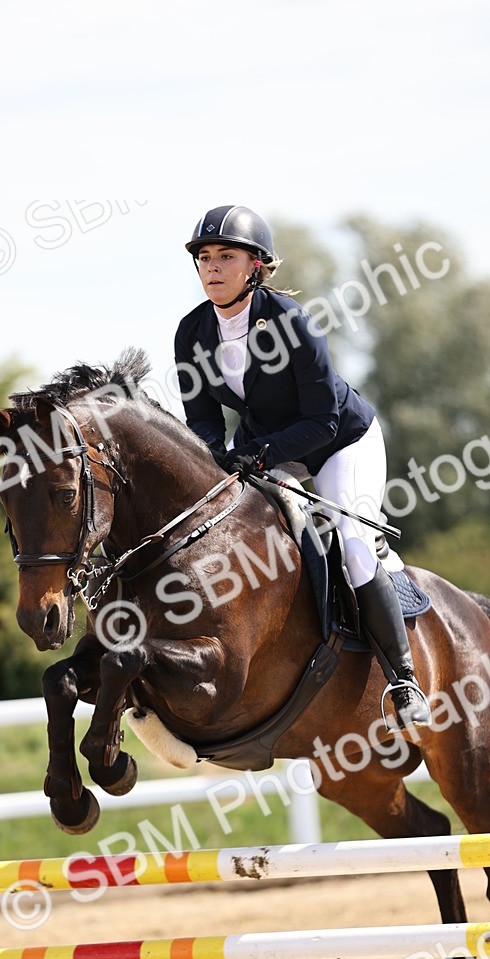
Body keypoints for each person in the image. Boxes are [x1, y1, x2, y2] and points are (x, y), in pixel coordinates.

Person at [174, 204, 430, 729]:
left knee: (353, 546)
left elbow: (323, 417)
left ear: (256, 266)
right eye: (204, 257)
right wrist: (213, 463)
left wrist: (260, 454)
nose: (212, 267)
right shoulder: (192, 332)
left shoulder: (291, 322)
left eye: (226, 256)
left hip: (339, 440)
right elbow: (201, 422)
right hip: (264, 445)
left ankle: (403, 681)